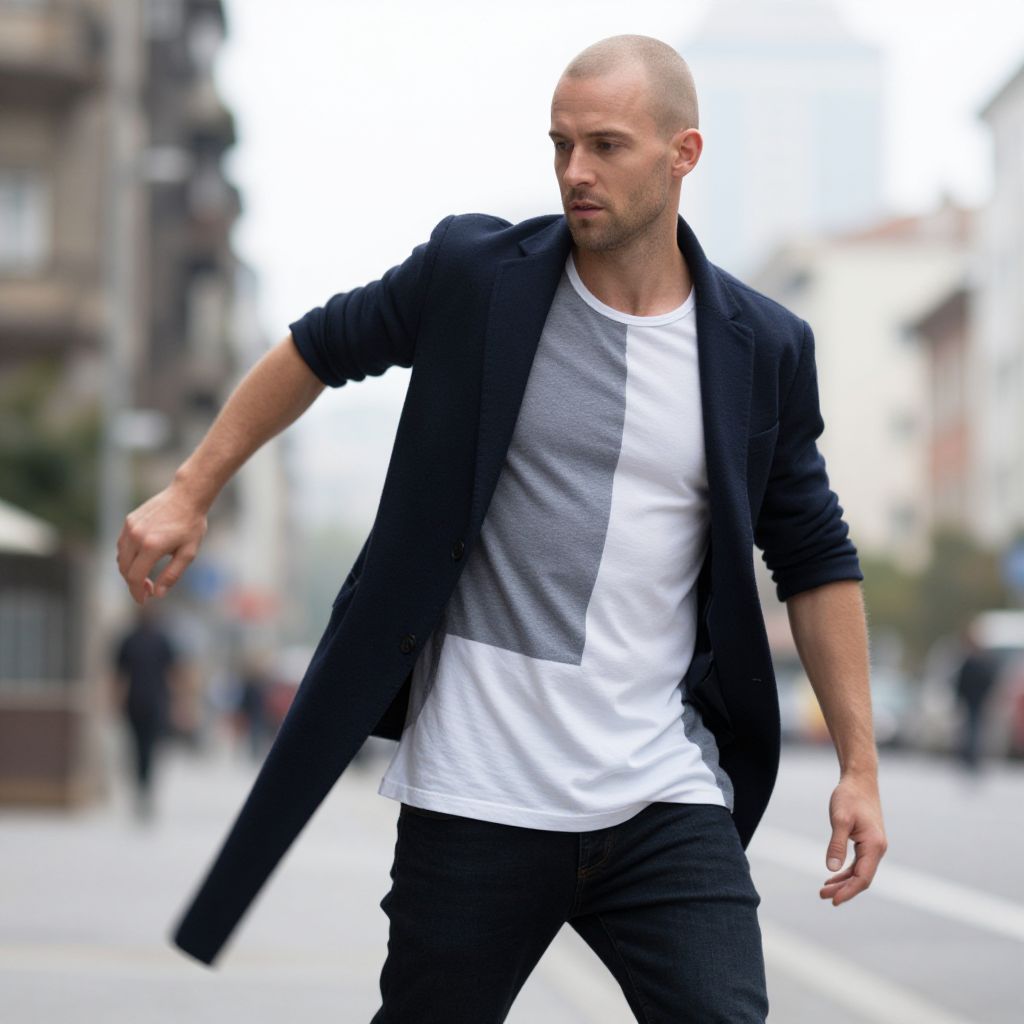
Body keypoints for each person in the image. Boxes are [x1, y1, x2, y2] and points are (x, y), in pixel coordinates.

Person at [116, 34, 887, 1022]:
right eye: (560, 144)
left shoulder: (759, 347)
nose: (576, 171)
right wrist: (190, 488)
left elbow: (814, 553)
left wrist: (859, 767)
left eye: (606, 145)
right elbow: (319, 345)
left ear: (681, 154)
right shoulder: (479, 279)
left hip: (660, 791)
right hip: (475, 795)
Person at [111, 601, 180, 822]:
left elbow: (173, 673)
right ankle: (141, 789)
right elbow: (119, 675)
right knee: (136, 747)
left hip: (156, 702)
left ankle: (145, 790)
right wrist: (115, 702)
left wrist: (178, 702)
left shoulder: (162, 640)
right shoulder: (128, 640)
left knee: (149, 747)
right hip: (135, 703)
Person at [953, 623, 1001, 774]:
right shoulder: (976, 660)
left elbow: (984, 681)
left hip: (976, 701)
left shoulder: (977, 661)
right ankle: (970, 758)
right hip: (972, 701)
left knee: (973, 730)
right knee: (972, 730)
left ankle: (972, 758)